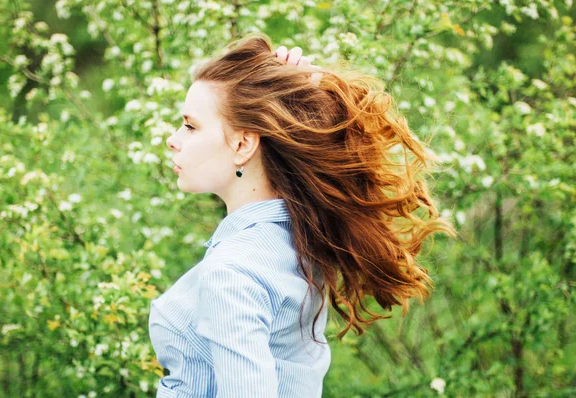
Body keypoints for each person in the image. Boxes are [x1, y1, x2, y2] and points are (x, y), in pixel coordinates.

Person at [149, 32, 456, 398]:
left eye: (190, 125)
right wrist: (299, 96)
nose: (174, 139)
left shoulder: (233, 271)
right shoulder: (297, 239)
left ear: (243, 145)